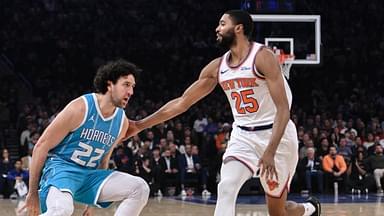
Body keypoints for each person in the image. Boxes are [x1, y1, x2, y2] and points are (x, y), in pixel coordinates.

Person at [127, 10, 320, 216]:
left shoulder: (263, 57)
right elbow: (182, 103)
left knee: (277, 213)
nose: (217, 29)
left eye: (222, 24)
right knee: (226, 187)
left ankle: (308, 209)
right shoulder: (217, 67)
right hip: (243, 136)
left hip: (276, 136)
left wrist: (270, 151)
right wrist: (140, 125)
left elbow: (283, 110)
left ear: (238, 28)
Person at [21, 59, 149, 216]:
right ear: (110, 85)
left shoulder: (121, 121)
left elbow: (103, 161)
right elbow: (41, 146)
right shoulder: (80, 108)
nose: (131, 92)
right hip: (62, 171)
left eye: (133, 87)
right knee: (62, 210)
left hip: (89, 177)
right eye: (126, 84)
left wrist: (92, 204)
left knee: (140, 188)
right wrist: (32, 193)